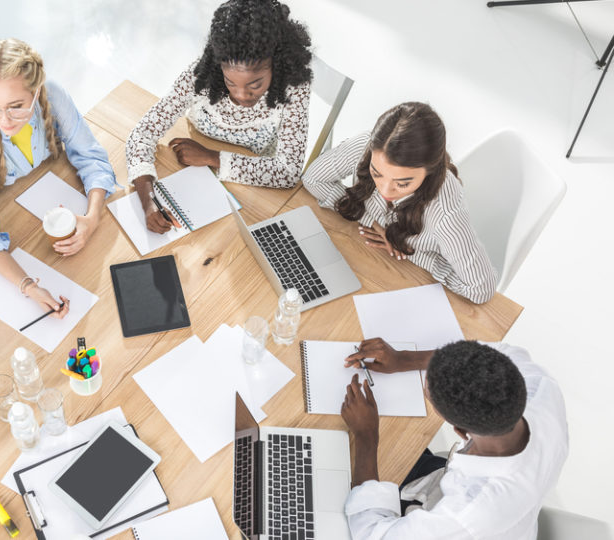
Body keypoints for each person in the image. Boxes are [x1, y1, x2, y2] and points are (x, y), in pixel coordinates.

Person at [339, 338, 568, 539]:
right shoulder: (541, 388)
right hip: (507, 511)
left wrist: (366, 436)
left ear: (459, 430)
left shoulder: (466, 514)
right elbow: (491, 351)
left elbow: (372, 533)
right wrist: (404, 359)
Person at [0, 38, 116, 315]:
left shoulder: (52, 94)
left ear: (36, 91)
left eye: (16, 106)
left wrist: (92, 218)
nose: (3, 120)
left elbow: (92, 158)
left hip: (29, 186)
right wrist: (29, 286)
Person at [126, 0, 312, 234]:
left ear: (277, 65)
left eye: (255, 84)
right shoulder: (200, 77)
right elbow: (143, 133)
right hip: (192, 156)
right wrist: (148, 201)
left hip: (254, 173)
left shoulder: (293, 86)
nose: (242, 95)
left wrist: (213, 157)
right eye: (230, 82)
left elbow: (287, 172)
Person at [302, 102, 496, 303]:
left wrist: (410, 252)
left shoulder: (444, 211)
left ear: (429, 171)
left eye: (402, 183)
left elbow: (480, 289)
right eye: (376, 173)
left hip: (413, 285)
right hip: (366, 263)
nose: (385, 190)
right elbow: (313, 178)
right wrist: (373, 222)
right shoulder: (367, 147)